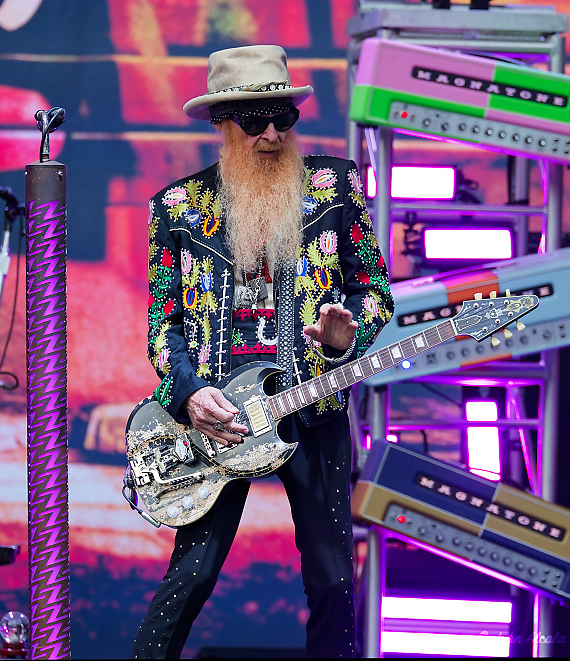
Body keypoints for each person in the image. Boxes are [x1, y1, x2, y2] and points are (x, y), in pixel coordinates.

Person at [135, 44, 393, 658]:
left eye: (283, 117)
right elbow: (160, 326)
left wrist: (347, 333)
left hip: (311, 405)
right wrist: (190, 393)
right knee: (190, 577)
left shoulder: (335, 188)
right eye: (254, 121)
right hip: (217, 421)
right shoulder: (176, 209)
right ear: (223, 125)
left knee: (334, 581)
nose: (272, 133)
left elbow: (376, 293)